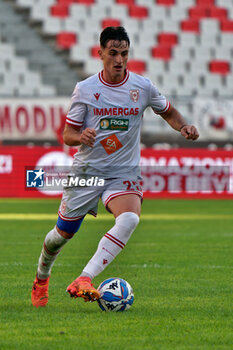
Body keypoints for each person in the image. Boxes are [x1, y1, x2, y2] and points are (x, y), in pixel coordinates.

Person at [31, 26, 199, 307]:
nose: (119, 60)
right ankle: (42, 277)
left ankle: (84, 278)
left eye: (124, 53)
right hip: (87, 172)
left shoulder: (142, 87)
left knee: (130, 218)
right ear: (101, 54)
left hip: (123, 172)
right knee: (61, 236)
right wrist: (80, 136)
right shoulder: (85, 90)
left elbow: (167, 111)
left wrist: (184, 126)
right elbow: (67, 134)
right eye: (113, 53)